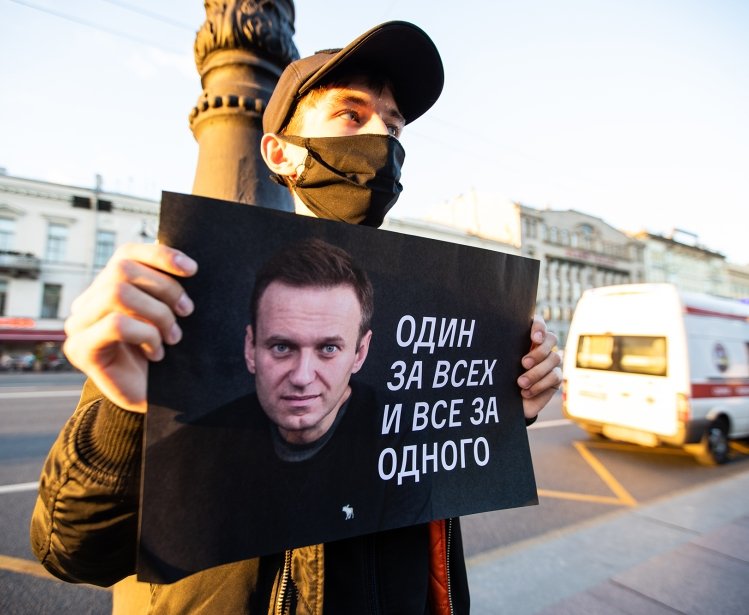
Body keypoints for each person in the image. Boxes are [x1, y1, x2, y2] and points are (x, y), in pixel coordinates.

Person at [31, 21, 562, 614]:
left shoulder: (435, 300)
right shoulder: (187, 293)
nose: (379, 140)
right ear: (280, 151)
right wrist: (124, 414)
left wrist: (499, 401)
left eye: (393, 126)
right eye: (351, 115)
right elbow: (72, 550)